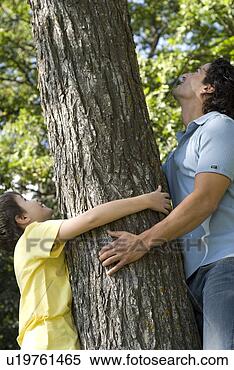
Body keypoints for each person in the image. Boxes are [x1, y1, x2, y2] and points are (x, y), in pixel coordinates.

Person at [99, 58, 234, 350]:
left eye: (197, 72)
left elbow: (204, 200)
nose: (186, 73)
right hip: (192, 276)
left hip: (226, 266)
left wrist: (142, 242)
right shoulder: (182, 147)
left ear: (208, 88)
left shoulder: (221, 127)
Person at [0, 186, 170, 350]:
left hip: (43, 338)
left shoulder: (27, 248)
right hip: (48, 338)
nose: (34, 199)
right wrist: (146, 200)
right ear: (22, 218)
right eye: (25, 199)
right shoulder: (33, 234)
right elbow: (91, 219)